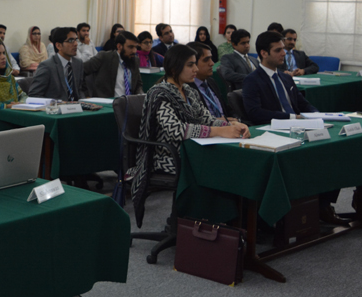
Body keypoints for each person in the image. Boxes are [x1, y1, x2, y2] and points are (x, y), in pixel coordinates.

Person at [131, 45, 247, 207]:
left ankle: (227, 217)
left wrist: (233, 126)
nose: (196, 69)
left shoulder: (188, 91)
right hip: (166, 156)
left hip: (192, 150)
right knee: (219, 166)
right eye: (190, 65)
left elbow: (207, 119)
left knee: (230, 162)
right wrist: (219, 131)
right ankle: (197, 216)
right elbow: (176, 130)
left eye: (195, 64)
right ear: (174, 68)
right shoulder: (159, 94)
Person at [242, 31, 319, 125]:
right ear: (264, 53)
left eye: (283, 49)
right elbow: (255, 113)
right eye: (278, 50)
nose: (283, 53)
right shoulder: (252, 80)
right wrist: (292, 117)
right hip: (275, 126)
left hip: (297, 125)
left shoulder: (286, 78)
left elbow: (303, 104)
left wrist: (316, 114)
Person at [30, 27, 86, 101]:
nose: (75, 44)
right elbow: (34, 95)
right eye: (71, 40)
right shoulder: (47, 66)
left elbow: (80, 90)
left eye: (76, 40)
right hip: (56, 106)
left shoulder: (78, 63)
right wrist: (55, 103)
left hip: (76, 105)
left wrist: (83, 101)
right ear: (58, 46)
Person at [84, 30, 142, 98]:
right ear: (119, 46)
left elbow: (138, 84)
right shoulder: (104, 57)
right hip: (107, 101)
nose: (134, 51)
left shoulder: (134, 60)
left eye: (136, 47)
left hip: (129, 102)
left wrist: (140, 95)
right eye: (130, 47)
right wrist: (86, 94)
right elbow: (81, 71)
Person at [187, 41, 228, 119]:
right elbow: (196, 121)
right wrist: (221, 122)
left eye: (211, 59)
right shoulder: (187, 89)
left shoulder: (211, 82)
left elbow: (226, 110)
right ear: (192, 63)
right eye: (206, 60)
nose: (212, 63)